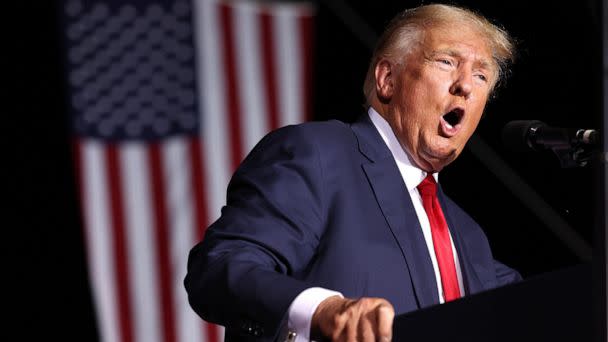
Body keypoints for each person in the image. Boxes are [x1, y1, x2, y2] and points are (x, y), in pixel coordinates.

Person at [185, 4, 522, 341]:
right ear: (387, 79)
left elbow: (534, 311)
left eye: (481, 75)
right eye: (447, 62)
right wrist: (322, 310)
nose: (466, 85)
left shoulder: (468, 236)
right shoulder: (318, 154)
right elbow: (221, 266)